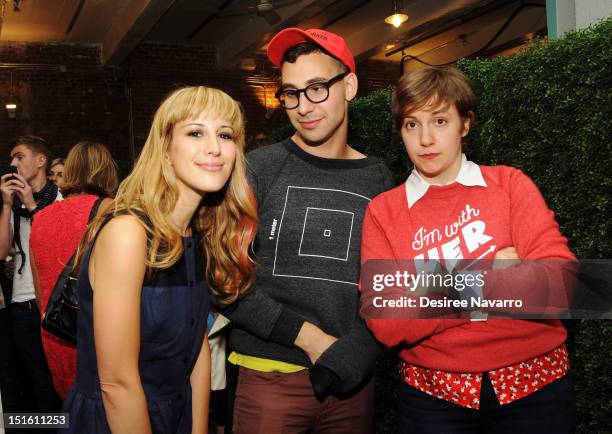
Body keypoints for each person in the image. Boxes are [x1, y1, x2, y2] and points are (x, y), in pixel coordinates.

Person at [360, 66, 576, 433]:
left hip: (536, 389)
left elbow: (563, 285)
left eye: (440, 121)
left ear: (465, 124)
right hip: (433, 399)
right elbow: (385, 320)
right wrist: (492, 274)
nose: (426, 138)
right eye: (412, 124)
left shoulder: (510, 185)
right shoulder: (384, 211)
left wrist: (428, 290)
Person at [221, 28, 394, 434]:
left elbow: (388, 283)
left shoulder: (380, 178)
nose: (302, 106)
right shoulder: (257, 169)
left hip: (352, 381)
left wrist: (359, 351)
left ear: (349, 86)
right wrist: (312, 340)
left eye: (317, 88)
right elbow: (225, 278)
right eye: (292, 93)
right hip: (269, 378)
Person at [60, 86, 257, 434]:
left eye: (225, 134)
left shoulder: (195, 234)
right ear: (165, 150)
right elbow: (117, 384)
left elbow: (196, 347)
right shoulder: (128, 233)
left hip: (176, 413)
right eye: (196, 132)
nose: (214, 147)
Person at [30, 141, 119, 399]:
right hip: (100, 338)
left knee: (73, 410)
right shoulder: (112, 211)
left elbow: (40, 294)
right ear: (107, 171)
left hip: (55, 335)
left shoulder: (41, 218)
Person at [0, 135, 63, 413]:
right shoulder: (13, 205)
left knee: (59, 382)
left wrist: (30, 203)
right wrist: (5, 205)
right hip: (22, 303)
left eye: (19, 156)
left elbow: (54, 243)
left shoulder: (60, 199)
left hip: (53, 303)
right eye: (11, 158)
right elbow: (2, 252)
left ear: (40, 161)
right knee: (35, 383)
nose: (13, 163)